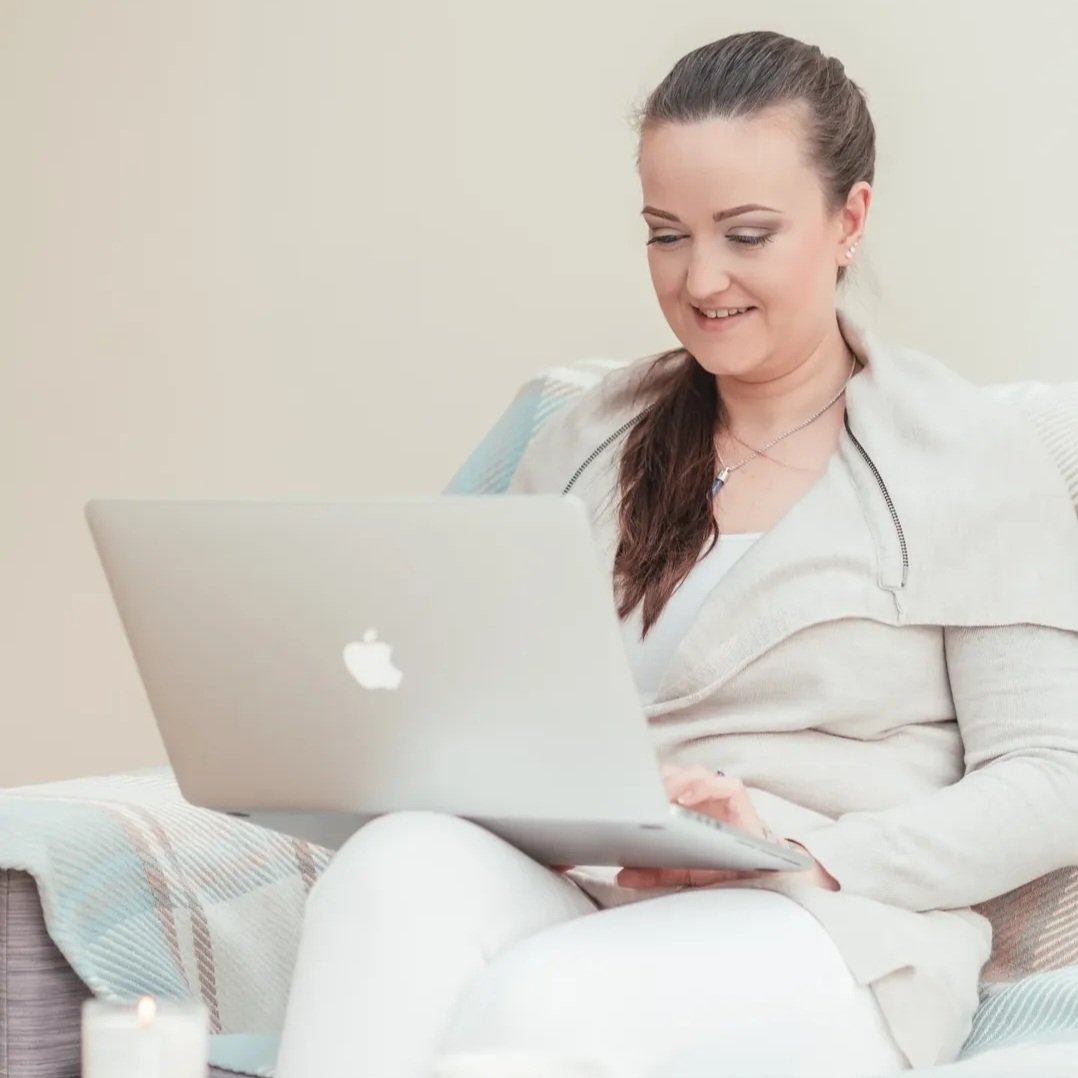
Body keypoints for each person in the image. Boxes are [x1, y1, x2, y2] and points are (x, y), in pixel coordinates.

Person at [275, 29, 1078, 1078]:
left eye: (746, 233)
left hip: (826, 921)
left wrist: (805, 855)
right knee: (389, 869)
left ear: (850, 220)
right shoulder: (585, 434)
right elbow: (485, 692)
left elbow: (1053, 776)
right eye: (665, 234)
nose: (700, 280)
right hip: (593, 874)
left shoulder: (969, 453)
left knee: (542, 1000)